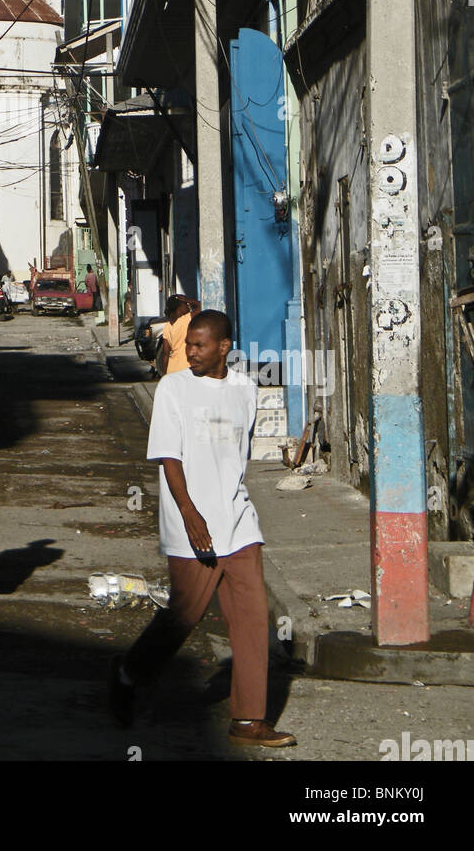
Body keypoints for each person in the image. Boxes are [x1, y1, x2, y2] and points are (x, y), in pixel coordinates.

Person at [108, 310, 296, 748]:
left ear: (224, 347)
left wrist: (224, 501)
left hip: (238, 520)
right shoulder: (174, 388)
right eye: (188, 343)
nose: (189, 351)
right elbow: (169, 457)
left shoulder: (244, 389)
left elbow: (239, 453)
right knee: (184, 616)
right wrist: (191, 514)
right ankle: (127, 673)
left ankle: (249, 720)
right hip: (189, 521)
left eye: (199, 344)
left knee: (251, 621)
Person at [157, 293, 201, 375]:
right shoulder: (185, 320)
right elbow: (202, 306)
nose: (189, 307)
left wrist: (164, 375)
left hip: (172, 369)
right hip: (186, 368)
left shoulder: (167, 326)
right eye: (186, 304)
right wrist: (189, 300)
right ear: (180, 308)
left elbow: (165, 354)